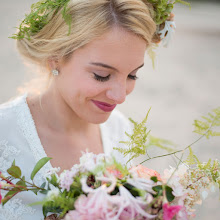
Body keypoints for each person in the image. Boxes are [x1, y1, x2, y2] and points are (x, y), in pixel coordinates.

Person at [0, 0, 172, 219]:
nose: (120, 97)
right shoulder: (3, 135)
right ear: (55, 59)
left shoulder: (121, 130)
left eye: (132, 75)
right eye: (101, 75)